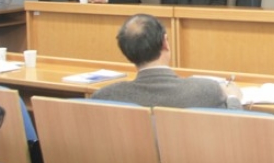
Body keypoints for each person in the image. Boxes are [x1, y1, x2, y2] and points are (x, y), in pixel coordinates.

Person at [92, 13, 242, 109]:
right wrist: (233, 98)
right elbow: (234, 129)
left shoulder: (104, 97)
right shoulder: (208, 90)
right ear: (165, 43)